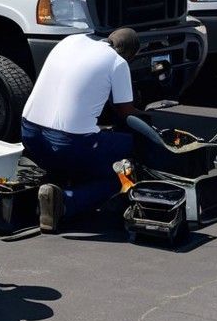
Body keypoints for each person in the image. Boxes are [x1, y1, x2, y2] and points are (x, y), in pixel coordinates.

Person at [20, 28, 139, 232]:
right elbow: (126, 113)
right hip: (67, 143)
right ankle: (64, 203)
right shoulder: (117, 62)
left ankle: (55, 185)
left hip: (29, 132)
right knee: (122, 166)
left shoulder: (71, 40)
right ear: (129, 54)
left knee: (85, 145)